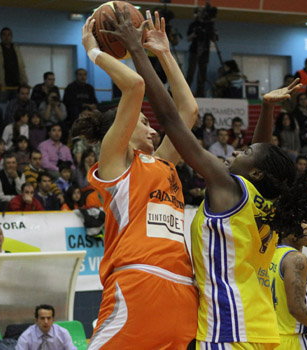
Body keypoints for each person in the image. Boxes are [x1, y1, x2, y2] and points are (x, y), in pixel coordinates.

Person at [122, 9, 307, 349]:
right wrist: (266, 108)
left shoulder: (230, 188)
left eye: (242, 155)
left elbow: (172, 121)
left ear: (256, 173)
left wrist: (138, 52)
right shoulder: (270, 204)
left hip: (227, 334)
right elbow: (261, 153)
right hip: (262, 333)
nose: (234, 152)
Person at [75, 12, 198, 349]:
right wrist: (92, 50)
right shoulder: (114, 162)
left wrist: (166, 54)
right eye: (143, 121)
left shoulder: (162, 164)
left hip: (183, 288)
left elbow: (187, 111)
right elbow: (135, 86)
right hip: (138, 281)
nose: (152, 128)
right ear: (124, 127)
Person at [0, 27, 28, 103]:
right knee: (1, 109)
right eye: (4, 35)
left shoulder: (16, 50)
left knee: (17, 110)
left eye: (9, 35)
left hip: (16, 85)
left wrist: (24, 81)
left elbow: (21, 67)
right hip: (2, 86)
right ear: (1, 37)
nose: (6, 37)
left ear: (11, 37)